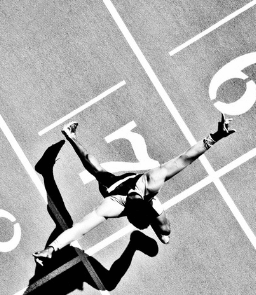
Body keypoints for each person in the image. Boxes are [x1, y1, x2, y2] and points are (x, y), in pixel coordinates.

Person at [33, 113, 236, 266]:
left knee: (165, 234)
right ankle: (70, 136)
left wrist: (216, 136)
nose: (131, 194)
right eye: (132, 197)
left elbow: (185, 159)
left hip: (122, 193)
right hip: (121, 193)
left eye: (132, 197)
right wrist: (53, 248)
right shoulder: (131, 194)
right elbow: (80, 228)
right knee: (95, 168)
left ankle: (49, 166)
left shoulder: (134, 194)